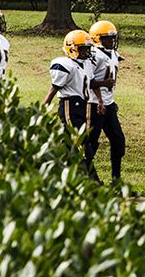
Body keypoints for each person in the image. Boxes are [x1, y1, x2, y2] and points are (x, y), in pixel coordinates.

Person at [44, 30, 98, 176]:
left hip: (82, 105)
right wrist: (46, 103)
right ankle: (92, 180)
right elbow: (55, 87)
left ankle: (58, 175)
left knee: (70, 145)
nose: (87, 51)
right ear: (72, 48)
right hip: (70, 105)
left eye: (88, 48)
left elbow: (91, 83)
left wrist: (100, 99)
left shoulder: (86, 64)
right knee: (82, 143)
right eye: (83, 48)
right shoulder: (66, 64)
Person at [82, 20, 130, 185]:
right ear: (96, 39)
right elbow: (86, 80)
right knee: (90, 144)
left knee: (118, 142)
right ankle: (88, 178)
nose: (111, 41)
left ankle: (116, 180)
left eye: (112, 38)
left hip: (108, 105)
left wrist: (110, 100)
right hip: (93, 104)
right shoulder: (93, 55)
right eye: (107, 38)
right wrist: (103, 85)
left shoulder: (113, 54)